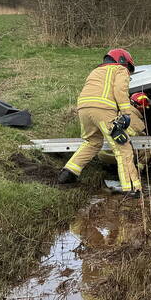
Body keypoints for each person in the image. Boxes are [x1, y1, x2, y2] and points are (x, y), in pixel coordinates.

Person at [58, 48, 143, 198]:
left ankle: (68, 172)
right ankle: (132, 189)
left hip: (83, 108)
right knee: (122, 147)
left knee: (92, 141)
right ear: (123, 61)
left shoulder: (95, 71)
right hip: (102, 109)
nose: (128, 72)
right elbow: (120, 90)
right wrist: (125, 113)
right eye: (129, 68)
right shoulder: (120, 69)